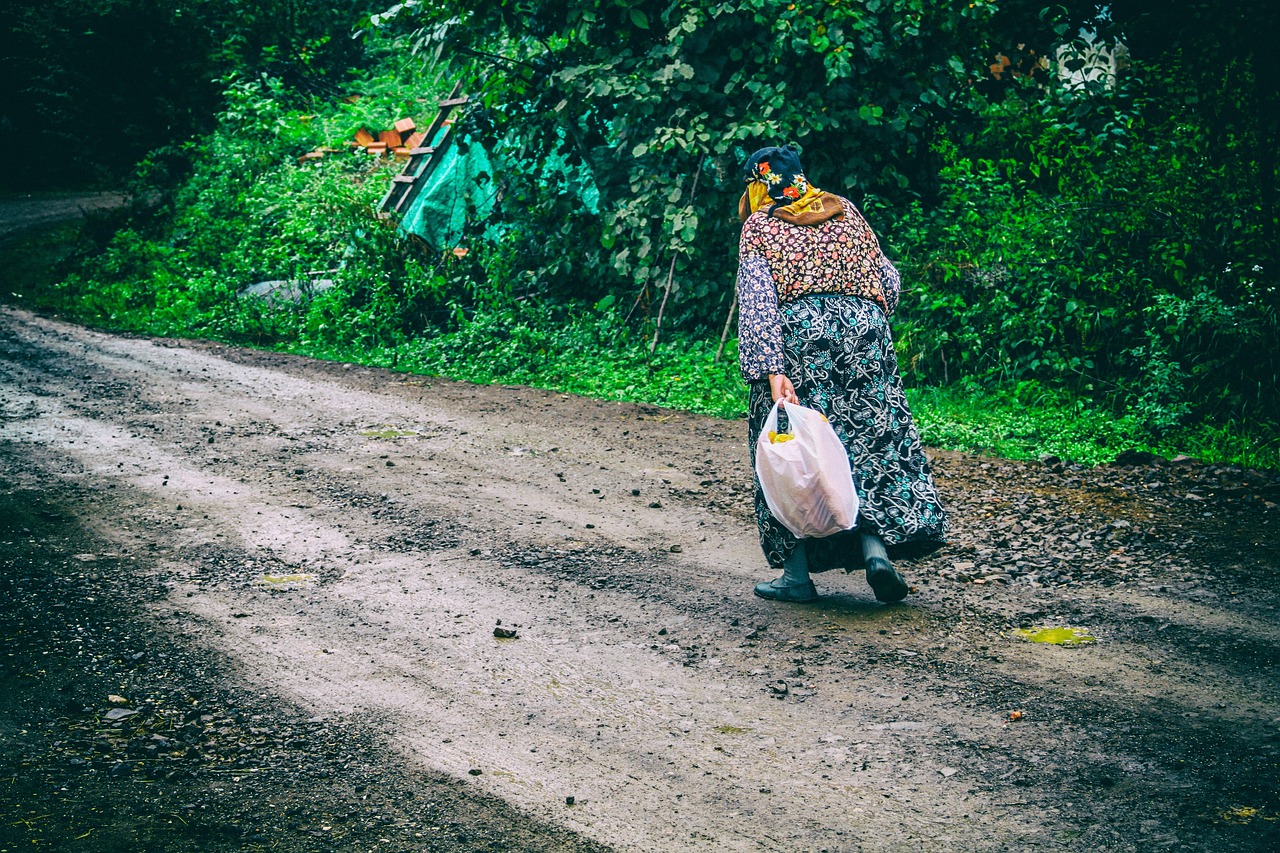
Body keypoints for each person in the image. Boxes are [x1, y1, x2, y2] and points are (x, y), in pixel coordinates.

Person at [736, 145, 947, 603]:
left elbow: (756, 304)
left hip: (798, 341)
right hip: (863, 337)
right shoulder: (844, 210)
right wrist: (859, 316)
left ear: (760, 183)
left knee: (788, 448)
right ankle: (877, 553)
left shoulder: (761, 225)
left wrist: (772, 370)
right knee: (867, 442)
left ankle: (796, 577)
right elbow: (888, 280)